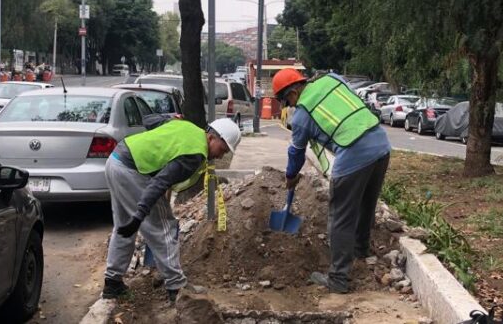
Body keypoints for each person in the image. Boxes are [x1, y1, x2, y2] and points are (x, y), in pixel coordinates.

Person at [272, 68, 391, 294]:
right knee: (367, 204)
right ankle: (360, 250)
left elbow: (296, 152)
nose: (289, 106)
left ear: (293, 92)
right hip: (381, 145)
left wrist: (290, 176)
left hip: (354, 152)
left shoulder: (302, 115)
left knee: (340, 217)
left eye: (286, 100)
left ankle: (338, 278)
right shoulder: (332, 80)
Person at [101, 115, 241, 301]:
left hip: (116, 160)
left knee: (124, 228)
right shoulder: (195, 154)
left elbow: (149, 121)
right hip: (132, 170)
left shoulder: (186, 126)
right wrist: (140, 214)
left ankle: (112, 283)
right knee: (165, 228)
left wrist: (167, 117)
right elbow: (160, 183)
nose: (220, 155)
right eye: (222, 149)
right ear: (211, 138)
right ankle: (176, 287)